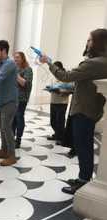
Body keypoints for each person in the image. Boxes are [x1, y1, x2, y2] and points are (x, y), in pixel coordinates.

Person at [40, 28, 107, 194]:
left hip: (83, 110)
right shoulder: (102, 62)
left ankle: (83, 181)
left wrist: (49, 62)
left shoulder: (93, 63)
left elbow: (65, 76)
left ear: (98, 42)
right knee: (84, 146)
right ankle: (83, 177)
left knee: (83, 146)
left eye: (90, 40)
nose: (87, 43)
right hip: (92, 109)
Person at [0, 40, 19, 166]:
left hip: (9, 101)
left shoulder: (10, 64)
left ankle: (12, 156)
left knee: (6, 128)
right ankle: (4, 150)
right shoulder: (0, 64)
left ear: (3, 50)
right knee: (2, 128)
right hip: (0, 101)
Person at [46, 61, 72, 144]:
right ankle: (57, 134)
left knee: (60, 121)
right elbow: (52, 87)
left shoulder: (67, 77)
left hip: (62, 102)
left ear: (59, 68)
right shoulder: (54, 77)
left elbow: (71, 90)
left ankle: (61, 138)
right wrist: (50, 89)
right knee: (53, 121)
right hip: (53, 101)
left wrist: (60, 91)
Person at [12, 51, 33, 148]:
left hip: (21, 98)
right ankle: (11, 137)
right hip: (12, 98)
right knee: (12, 119)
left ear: (23, 58)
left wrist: (15, 74)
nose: (16, 59)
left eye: (18, 57)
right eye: (15, 57)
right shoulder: (14, 68)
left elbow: (25, 84)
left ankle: (18, 139)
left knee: (19, 118)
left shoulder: (28, 69)